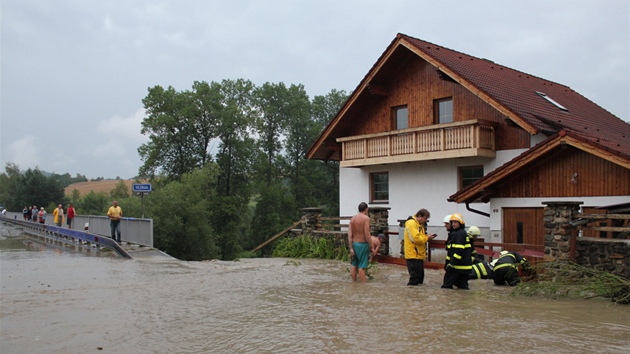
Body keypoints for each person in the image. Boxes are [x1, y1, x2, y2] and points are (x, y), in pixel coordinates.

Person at [403, 209, 436, 286]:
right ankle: (412, 296)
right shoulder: (411, 223)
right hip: (413, 255)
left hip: (418, 255)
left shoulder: (418, 224)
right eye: (425, 218)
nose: (425, 220)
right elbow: (416, 238)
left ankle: (417, 296)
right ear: (420, 216)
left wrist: (427, 236)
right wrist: (427, 238)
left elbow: (419, 237)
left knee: (419, 278)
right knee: (414, 279)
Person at [441, 213, 473, 289]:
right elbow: (451, 251)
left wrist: (451, 263)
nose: (453, 224)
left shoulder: (459, 234)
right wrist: (447, 261)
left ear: (460, 223)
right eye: (452, 222)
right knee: (463, 288)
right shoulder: (458, 233)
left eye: (455, 222)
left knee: (446, 286)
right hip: (462, 266)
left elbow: (458, 251)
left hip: (457, 266)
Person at [347, 202, 372, 282]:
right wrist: (371, 246)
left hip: (354, 244)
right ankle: (363, 288)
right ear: (366, 209)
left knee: (354, 264)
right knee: (362, 267)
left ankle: (354, 283)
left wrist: (351, 248)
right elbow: (367, 234)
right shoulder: (366, 218)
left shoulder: (353, 219)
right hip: (363, 244)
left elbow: (350, 234)